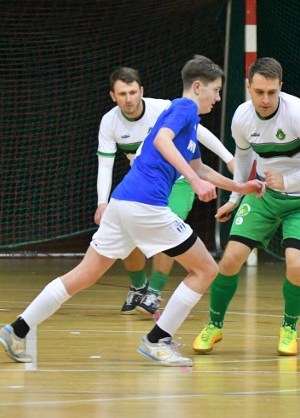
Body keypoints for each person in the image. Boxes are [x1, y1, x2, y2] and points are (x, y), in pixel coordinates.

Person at [0, 55, 265, 367]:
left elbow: (199, 167)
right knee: (205, 270)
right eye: (215, 90)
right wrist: (192, 180)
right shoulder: (184, 107)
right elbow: (165, 144)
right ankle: (157, 340)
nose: (218, 98)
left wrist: (240, 187)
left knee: (84, 274)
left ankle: (17, 329)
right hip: (145, 204)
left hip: (122, 203)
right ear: (197, 87)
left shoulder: (186, 122)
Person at [192, 57, 300, 356]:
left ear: (280, 87)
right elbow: (243, 159)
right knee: (230, 259)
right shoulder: (242, 117)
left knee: (296, 265)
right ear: (249, 87)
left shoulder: (299, 113)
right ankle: (214, 325)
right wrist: (234, 198)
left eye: (272, 92)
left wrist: (290, 181)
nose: (265, 99)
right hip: (263, 195)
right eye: (259, 92)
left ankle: (289, 328)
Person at [95, 67, 235, 317]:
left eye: (132, 92)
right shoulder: (109, 121)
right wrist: (101, 202)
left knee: (168, 229)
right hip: (144, 182)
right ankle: (138, 286)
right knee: (129, 233)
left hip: (179, 179)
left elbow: (197, 131)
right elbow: (105, 164)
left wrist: (227, 157)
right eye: (122, 93)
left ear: (142, 91)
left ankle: (155, 293)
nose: (129, 98)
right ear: (113, 96)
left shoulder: (164, 107)